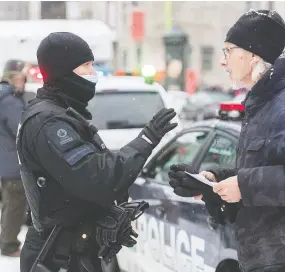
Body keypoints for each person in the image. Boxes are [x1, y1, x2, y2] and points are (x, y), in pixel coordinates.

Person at [168, 9, 285, 272]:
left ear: (252, 55)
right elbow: (271, 165)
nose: (222, 61)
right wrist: (216, 179)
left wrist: (245, 186)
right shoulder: (266, 100)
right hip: (271, 258)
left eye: (228, 50)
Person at [17, 32, 177, 272]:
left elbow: (73, 191)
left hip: (75, 251)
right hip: (57, 257)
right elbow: (98, 178)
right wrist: (146, 139)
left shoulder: (64, 113)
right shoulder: (49, 123)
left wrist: (105, 215)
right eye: (86, 66)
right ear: (64, 69)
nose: (93, 73)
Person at [0, 60, 28, 257]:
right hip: (14, 162)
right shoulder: (9, 101)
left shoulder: (2, 97)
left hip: (7, 161)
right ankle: (9, 245)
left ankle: (7, 242)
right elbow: (21, 129)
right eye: (20, 76)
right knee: (15, 206)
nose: (23, 81)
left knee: (10, 204)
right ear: (11, 77)